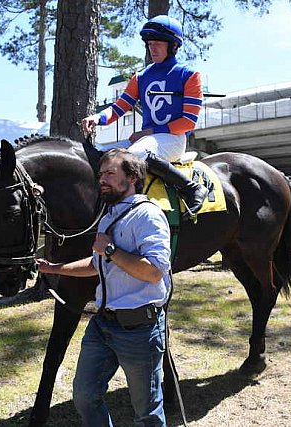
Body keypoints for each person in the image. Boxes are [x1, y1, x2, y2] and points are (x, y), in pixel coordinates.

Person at [37, 148, 171, 426]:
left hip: (139, 331)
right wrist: (54, 269)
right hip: (102, 325)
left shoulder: (148, 216)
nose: (102, 180)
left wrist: (110, 249)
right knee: (84, 397)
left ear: (132, 177)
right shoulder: (109, 215)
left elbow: (155, 272)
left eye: (110, 173)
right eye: (100, 175)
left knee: (146, 413)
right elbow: (97, 264)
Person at [81, 15, 208, 217]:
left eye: (157, 44)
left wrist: (149, 132)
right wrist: (97, 118)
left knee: (133, 157)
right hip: (147, 140)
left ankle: (192, 188)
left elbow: (188, 122)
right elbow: (119, 107)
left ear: (173, 45)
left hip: (173, 139)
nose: (153, 49)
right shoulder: (141, 77)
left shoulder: (189, 75)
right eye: (150, 44)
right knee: (103, 158)